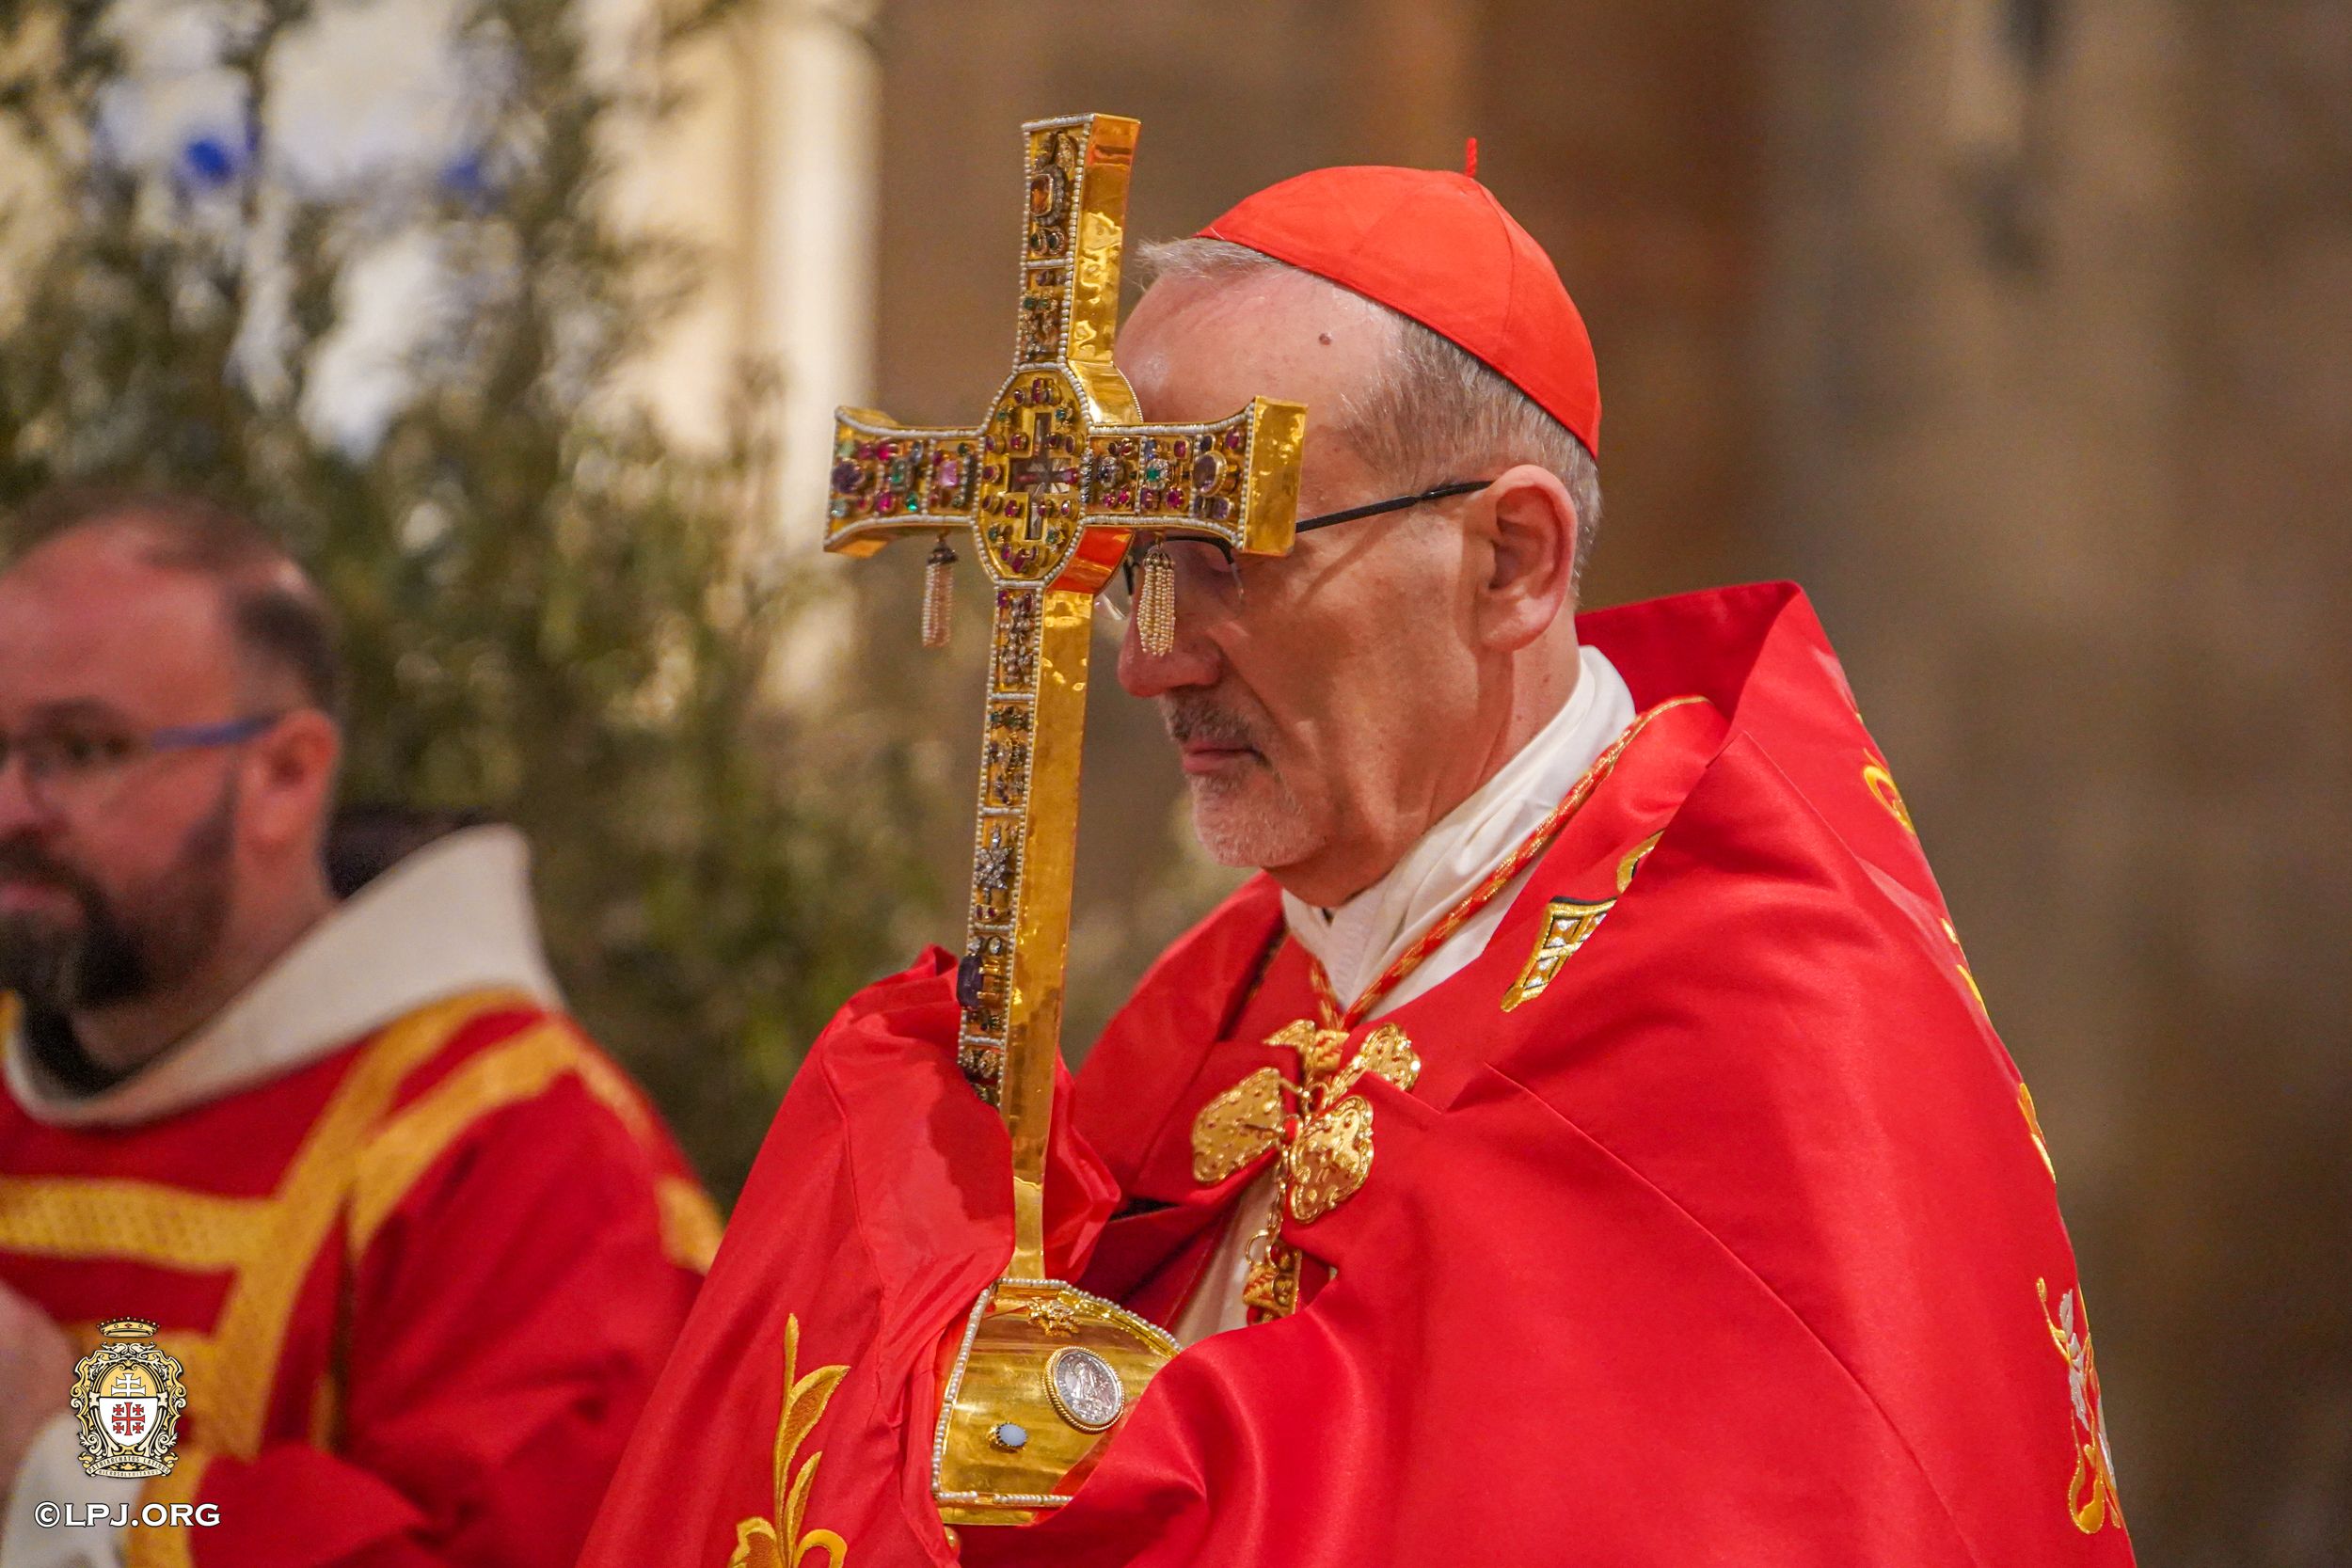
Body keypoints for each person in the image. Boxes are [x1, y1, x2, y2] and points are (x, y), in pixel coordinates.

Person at [581, 166, 2135, 1565]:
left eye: (1227, 549)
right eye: (1130, 561)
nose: (1152, 659)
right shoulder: (1255, 968)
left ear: (1511, 561)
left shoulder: (1779, 1023)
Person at [0, 493, 720, 1568]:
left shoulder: (520, 1144)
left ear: (284, 777)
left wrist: (61, 1471)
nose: (13, 807)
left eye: (86, 747)